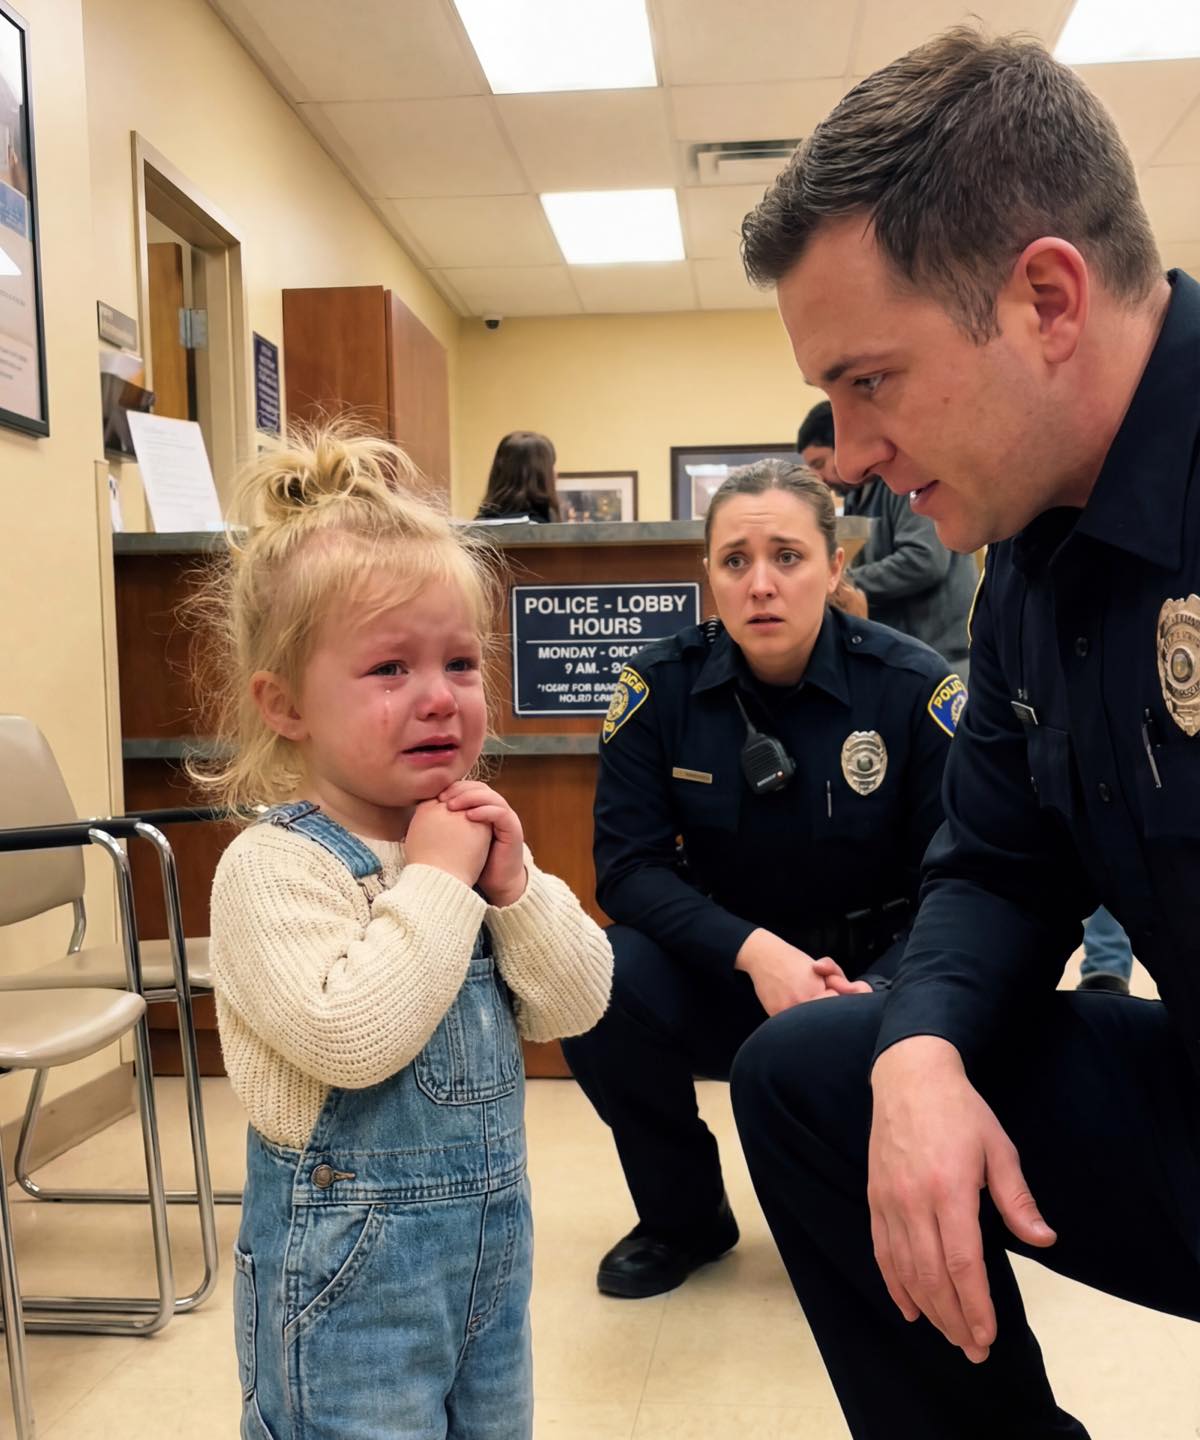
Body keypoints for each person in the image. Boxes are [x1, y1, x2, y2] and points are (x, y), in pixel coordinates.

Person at [731, 27, 1200, 1440]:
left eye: (870, 381)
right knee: (828, 1074)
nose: (850, 451)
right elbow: (997, 863)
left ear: (1046, 297)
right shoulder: (1026, 567)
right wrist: (923, 1048)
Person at [195, 427, 613, 1439]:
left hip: (488, 1264)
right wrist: (436, 877)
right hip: (344, 1288)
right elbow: (353, 1037)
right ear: (285, 704)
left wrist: (514, 885)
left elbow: (578, 1001)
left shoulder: (469, 841)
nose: (439, 696)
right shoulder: (274, 869)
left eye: (461, 662)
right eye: (389, 668)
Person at [562, 459, 966, 1299]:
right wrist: (757, 955)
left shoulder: (912, 688)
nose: (761, 585)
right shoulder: (657, 688)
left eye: (788, 556)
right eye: (735, 561)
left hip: (873, 978)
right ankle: (684, 1216)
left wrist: (878, 985)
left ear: (836, 566)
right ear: (709, 575)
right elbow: (627, 870)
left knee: (857, 1236)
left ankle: (875, 1205)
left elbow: (959, 877)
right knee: (598, 976)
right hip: (732, 970)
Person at [798, 399, 977, 671]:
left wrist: (840, 582)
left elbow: (923, 560)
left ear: (845, 445)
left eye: (821, 463)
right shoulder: (858, 497)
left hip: (942, 656)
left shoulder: (901, 483)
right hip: (904, 653)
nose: (820, 477)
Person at [475, 430, 560, 522]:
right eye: (551, 467)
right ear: (541, 475)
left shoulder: (479, 526)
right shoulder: (541, 528)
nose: (555, 474)